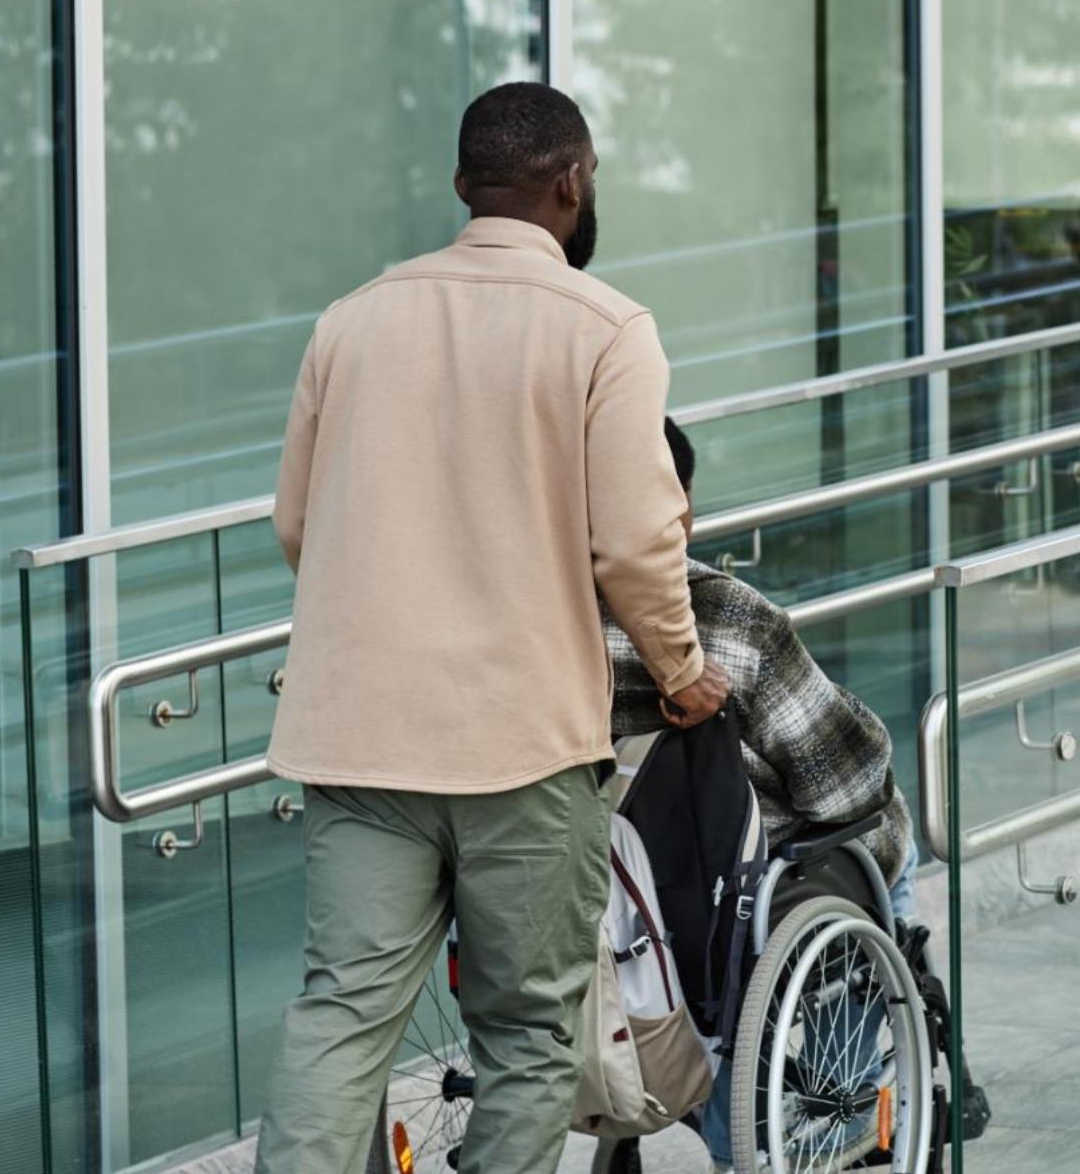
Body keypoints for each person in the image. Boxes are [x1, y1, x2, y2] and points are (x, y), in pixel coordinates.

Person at [255, 83, 728, 1174]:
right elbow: (633, 544)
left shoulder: (353, 319)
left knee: (339, 1017)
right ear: (573, 184)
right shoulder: (606, 328)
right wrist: (681, 669)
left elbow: (297, 521)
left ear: (464, 187)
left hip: (361, 735)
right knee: (526, 1034)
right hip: (521, 744)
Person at [604, 418, 916, 1174]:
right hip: (719, 898)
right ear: (680, 509)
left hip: (586, 882)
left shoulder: (531, 625)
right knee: (888, 856)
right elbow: (844, 780)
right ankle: (829, 1106)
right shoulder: (728, 620)